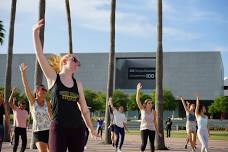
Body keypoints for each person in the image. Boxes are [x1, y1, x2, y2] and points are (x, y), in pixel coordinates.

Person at [33, 19, 97, 152]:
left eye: (77, 62)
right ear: (64, 61)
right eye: (74, 59)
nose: (76, 63)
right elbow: (40, 56)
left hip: (77, 128)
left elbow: (84, 109)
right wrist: (34, 33)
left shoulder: (78, 84)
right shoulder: (53, 77)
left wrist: (91, 129)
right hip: (58, 128)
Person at [20, 63, 51, 152]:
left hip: (49, 130)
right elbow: (26, 87)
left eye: (45, 90)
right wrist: (23, 74)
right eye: (42, 89)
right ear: (37, 91)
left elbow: (51, 115)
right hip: (38, 132)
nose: (44, 91)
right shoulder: (33, 101)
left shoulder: (47, 103)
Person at [136, 83, 162, 152]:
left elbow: (155, 122)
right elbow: (137, 101)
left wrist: (158, 131)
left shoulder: (154, 112)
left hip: (152, 129)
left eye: (151, 103)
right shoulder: (142, 110)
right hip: (143, 128)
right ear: (146, 104)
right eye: (149, 103)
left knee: (152, 145)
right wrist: (138, 90)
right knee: (144, 144)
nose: (151, 104)